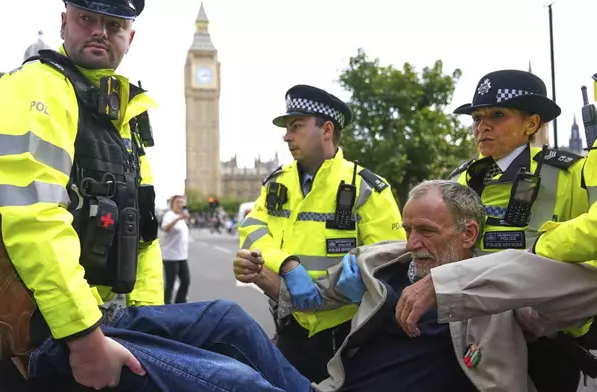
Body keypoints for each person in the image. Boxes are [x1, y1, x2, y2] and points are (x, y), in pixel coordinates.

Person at [0, 1, 167, 390]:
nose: (100, 31)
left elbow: (144, 235)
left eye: (114, 24)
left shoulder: (124, 118)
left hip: (78, 310)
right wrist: (83, 332)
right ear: (65, 23)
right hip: (6, 304)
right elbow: (35, 218)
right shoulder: (37, 87)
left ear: (129, 38)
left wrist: (150, 319)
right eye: (87, 18)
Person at [235, 180, 597, 392]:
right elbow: (312, 299)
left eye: (425, 231)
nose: (410, 244)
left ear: (469, 233)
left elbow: (586, 289)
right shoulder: (378, 263)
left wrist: (444, 286)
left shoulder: (503, 290)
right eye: (408, 230)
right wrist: (262, 277)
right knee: (224, 322)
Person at [238, 84, 406, 382]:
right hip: (291, 324)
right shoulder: (277, 182)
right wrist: (287, 264)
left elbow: (393, 257)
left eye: (297, 126)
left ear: (327, 129)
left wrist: (367, 283)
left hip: (350, 330)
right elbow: (252, 230)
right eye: (287, 128)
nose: (287, 135)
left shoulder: (367, 187)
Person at [448, 69, 588, 253]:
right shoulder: (457, 180)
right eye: (477, 118)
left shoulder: (571, 174)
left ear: (531, 124)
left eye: (498, 114)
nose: (482, 127)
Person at [160, 195, 191, 304]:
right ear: (172, 203)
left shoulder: (181, 217)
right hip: (170, 256)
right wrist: (178, 219)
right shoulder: (170, 215)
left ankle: (180, 303)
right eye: (178, 202)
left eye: (182, 202)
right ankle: (166, 306)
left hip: (182, 256)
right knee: (170, 284)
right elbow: (165, 228)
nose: (180, 205)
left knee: (186, 281)